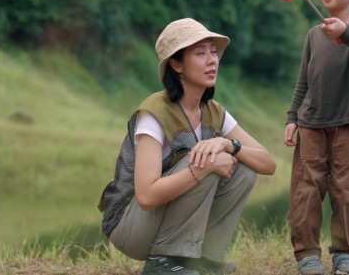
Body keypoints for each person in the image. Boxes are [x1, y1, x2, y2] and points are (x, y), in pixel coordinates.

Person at [99, 18, 276, 275]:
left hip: (158, 220)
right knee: (203, 159)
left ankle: (200, 260)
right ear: (176, 64)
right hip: (129, 225)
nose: (212, 60)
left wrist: (229, 145)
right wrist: (204, 168)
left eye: (213, 52)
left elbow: (267, 164)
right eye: (200, 53)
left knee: (244, 169)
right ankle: (161, 263)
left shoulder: (213, 112)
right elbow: (146, 197)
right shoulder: (154, 113)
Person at [283, 0, 349, 275]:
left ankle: (346, 255)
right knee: (306, 191)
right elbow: (303, 81)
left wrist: (343, 30)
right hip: (311, 125)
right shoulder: (312, 35)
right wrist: (292, 117)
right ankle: (307, 254)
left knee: (347, 192)